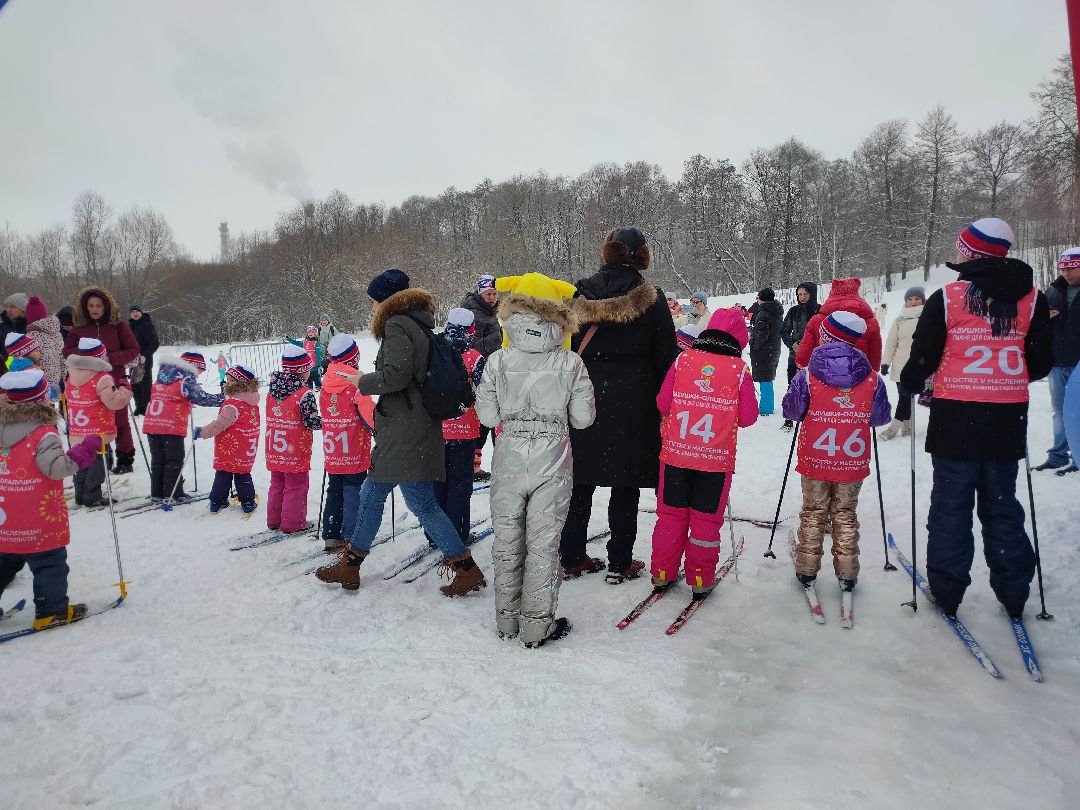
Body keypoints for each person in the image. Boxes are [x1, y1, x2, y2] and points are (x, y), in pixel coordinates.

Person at [900, 217, 1053, 619]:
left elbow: (921, 360)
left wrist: (912, 381)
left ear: (970, 253)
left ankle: (948, 589)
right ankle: (1014, 589)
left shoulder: (949, 297)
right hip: (1005, 418)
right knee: (1002, 503)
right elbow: (1039, 364)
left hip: (956, 416)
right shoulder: (1031, 299)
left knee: (951, 505)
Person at [316, 269, 487, 596]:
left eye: (372, 301)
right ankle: (466, 569)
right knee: (423, 505)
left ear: (385, 299)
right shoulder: (418, 323)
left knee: (371, 493)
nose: (371, 307)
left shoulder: (396, 325)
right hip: (419, 425)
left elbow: (395, 377)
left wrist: (362, 381)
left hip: (403, 429)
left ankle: (350, 566)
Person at [475, 272, 594, 647]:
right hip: (553, 457)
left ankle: (507, 622)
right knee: (543, 542)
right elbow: (583, 418)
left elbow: (488, 418)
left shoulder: (496, 361)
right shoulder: (570, 363)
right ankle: (535, 626)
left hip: (509, 455)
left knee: (508, 540)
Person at [560, 228, 679, 581]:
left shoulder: (579, 293)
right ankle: (620, 561)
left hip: (585, 394)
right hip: (635, 399)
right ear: (642, 256)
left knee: (580, 480)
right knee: (624, 484)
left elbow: (567, 345)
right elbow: (666, 356)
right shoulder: (651, 298)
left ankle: (572, 556)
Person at [650, 309, 758, 596]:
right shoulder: (739, 370)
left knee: (670, 517)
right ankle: (700, 579)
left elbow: (662, 403)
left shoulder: (683, 360)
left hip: (675, 455)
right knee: (705, 522)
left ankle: (662, 573)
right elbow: (748, 417)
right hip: (715, 462)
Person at [783, 312, 892, 593]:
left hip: (815, 457)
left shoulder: (807, 375)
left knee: (814, 511)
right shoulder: (871, 378)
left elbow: (792, 411)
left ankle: (806, 569)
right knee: (845, 513)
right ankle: (847, 572)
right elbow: (880, 418)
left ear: (828, 337)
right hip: (851, 459)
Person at [0, 369, 104, 630]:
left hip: (5, 513)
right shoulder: (43, 432)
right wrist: (84, 451)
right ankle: (51, 611)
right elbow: (56, 468)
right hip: (37, 513)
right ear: (40, 399)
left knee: (6, 558)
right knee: (49, 561)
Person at [62, 286, 141, 475]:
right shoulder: (79, 327)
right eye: (91, 305)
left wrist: (110, 359)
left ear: (106, 306)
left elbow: (133, 349)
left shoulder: (118, 326)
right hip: (87, 384)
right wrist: (88, 359)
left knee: (120, 420)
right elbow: (67, 351)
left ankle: (125, 458)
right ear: (85, 307)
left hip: (113, 378)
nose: (95, 309)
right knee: (94, 423)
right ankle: (103, 455)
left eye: (98, 305)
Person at [143, 351, 224, 503]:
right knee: (173, 460)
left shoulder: (163, 377)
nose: (198, 376)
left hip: (152, 424)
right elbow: (202, 398)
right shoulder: (185, 378)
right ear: (193, 367)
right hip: (170, 426)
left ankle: (157, 492)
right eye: (200, 371)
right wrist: (222, 399)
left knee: (158, 460)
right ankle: (173, 493)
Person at [318, 335, 374, 551]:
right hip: (354, 449)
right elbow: (370, 419)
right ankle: (352, 533)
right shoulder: (357, 385)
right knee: (353, 490)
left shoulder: (325, 385)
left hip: (334, 451)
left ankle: (331, 534)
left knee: (335, 489)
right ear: (354, 358)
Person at [437, 308, 487, 545]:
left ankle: (436, 533)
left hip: (436, 429)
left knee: (439, 482)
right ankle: (458, 533)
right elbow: (484, 392)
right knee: (459, 484)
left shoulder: (436, 352)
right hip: (465, 429)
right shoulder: (475, 358)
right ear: (470, 331)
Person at [65, 339, 133, 507]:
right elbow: (115, 402)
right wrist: (125, 389)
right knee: (98, 465)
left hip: (78, 430)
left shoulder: (71, 375)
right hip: (97, 433)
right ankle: (92, 496)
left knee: (81, 463)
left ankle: (80, 494)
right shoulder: (102, 378)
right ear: (101, 357)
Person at [1032, 247, 1080, 474]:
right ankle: (1058, 456)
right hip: (1058, 361)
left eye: (1072, 268)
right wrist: (1043, 317)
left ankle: (1078, 457)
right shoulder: (1052, 291)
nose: (1067, 273)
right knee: (1060, 411)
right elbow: (1037, 323)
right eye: (1063, 268)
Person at [265, 346, 322, 533]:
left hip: (275, 448)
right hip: (295, 449)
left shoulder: (272, 391)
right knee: (296, 486)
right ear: (302, 371)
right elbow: (311, 422)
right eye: (308, 369)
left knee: (277, 484)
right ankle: (292, 524)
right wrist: (328, 421)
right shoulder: (305, 394)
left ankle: (274, 520)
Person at [194, 364, 261, 515]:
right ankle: (248, 501)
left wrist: (202, 432)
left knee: (223, 473)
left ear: (239, 383)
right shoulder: (251, 401)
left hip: (230, 446)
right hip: (246, 447)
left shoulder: (233, 405)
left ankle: (217, 501)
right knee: (242, 472)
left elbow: (219, 424)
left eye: (230, 380)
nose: (226, 382)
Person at [459, 274, 502, 480]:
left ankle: (474, 465)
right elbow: (472, 346)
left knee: (486, 421)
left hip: (488, 370)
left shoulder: (488, 311)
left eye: (494, 293)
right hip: (476, 373)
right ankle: (470, 466)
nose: (492, 297)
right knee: (482, 421)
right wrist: (497, 339)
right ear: (480, 293)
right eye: (488, 293)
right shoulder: (474, 313)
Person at [795, 278, 882, 372]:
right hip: (859, 376)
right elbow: (875, 354)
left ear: (832, 292)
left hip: (823, 375)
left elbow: (803, 357)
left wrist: (802, 363)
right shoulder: (870, 323)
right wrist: (872, 373)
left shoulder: (817, 320)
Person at [879, 287, 925, 440]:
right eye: (910, 299)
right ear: (905, 301)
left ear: (923, 300)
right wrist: (886, 363)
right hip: (901, 366)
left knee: (907, 397)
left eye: (917, 298)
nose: (913, 302)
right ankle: (906, 427)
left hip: (920, 365)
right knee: (904, 397)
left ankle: (895, 429)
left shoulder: (928, 317)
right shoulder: (899, 320)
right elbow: (891, 343)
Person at [780, 282, 820, 429]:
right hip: (795, 355)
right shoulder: (793, 311)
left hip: (815, 356)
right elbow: (783, 331)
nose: (802, 297)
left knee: (814, 387)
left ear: (812, 294)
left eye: (805, 294)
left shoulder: (820, 311)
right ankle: (789, 417)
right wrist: (793, 344)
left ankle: (813, 417)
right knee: (793, 385)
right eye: (799, 294)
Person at [748, 288, 784, 416]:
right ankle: (767, 405)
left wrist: (754, 345)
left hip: (764, 351)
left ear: (761, 299)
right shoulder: (776, 310)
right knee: (768, 377)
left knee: (765, 379)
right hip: (774, 348)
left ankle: (766, 408)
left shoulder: (763, 314)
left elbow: (762, 334)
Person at [24, 297, 64, 392]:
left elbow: (27, 360)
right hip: (57, 381)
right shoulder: (56, 332)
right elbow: (63, 357)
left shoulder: (30, 336)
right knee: (55, 405)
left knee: (43, 406)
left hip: (40, 383)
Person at [127, 304, 160, 416]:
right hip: (133, 360)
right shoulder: (129, 326)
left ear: (141, 312)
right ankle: (139, 407)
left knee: (145, 385)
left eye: (137, 311)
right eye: (133, 312)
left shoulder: (147, 325)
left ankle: (147, 408)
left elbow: (155, 343)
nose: (135, 314)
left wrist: (145, 355)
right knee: (135, 385)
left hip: (144, 360)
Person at [1, 293, 28, 371]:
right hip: (8, 373)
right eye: (7, 306)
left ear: (23, 309)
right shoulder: (2, 327)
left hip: (31, 373)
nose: (8, 310)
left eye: (13, 307)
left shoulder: (31, 326)